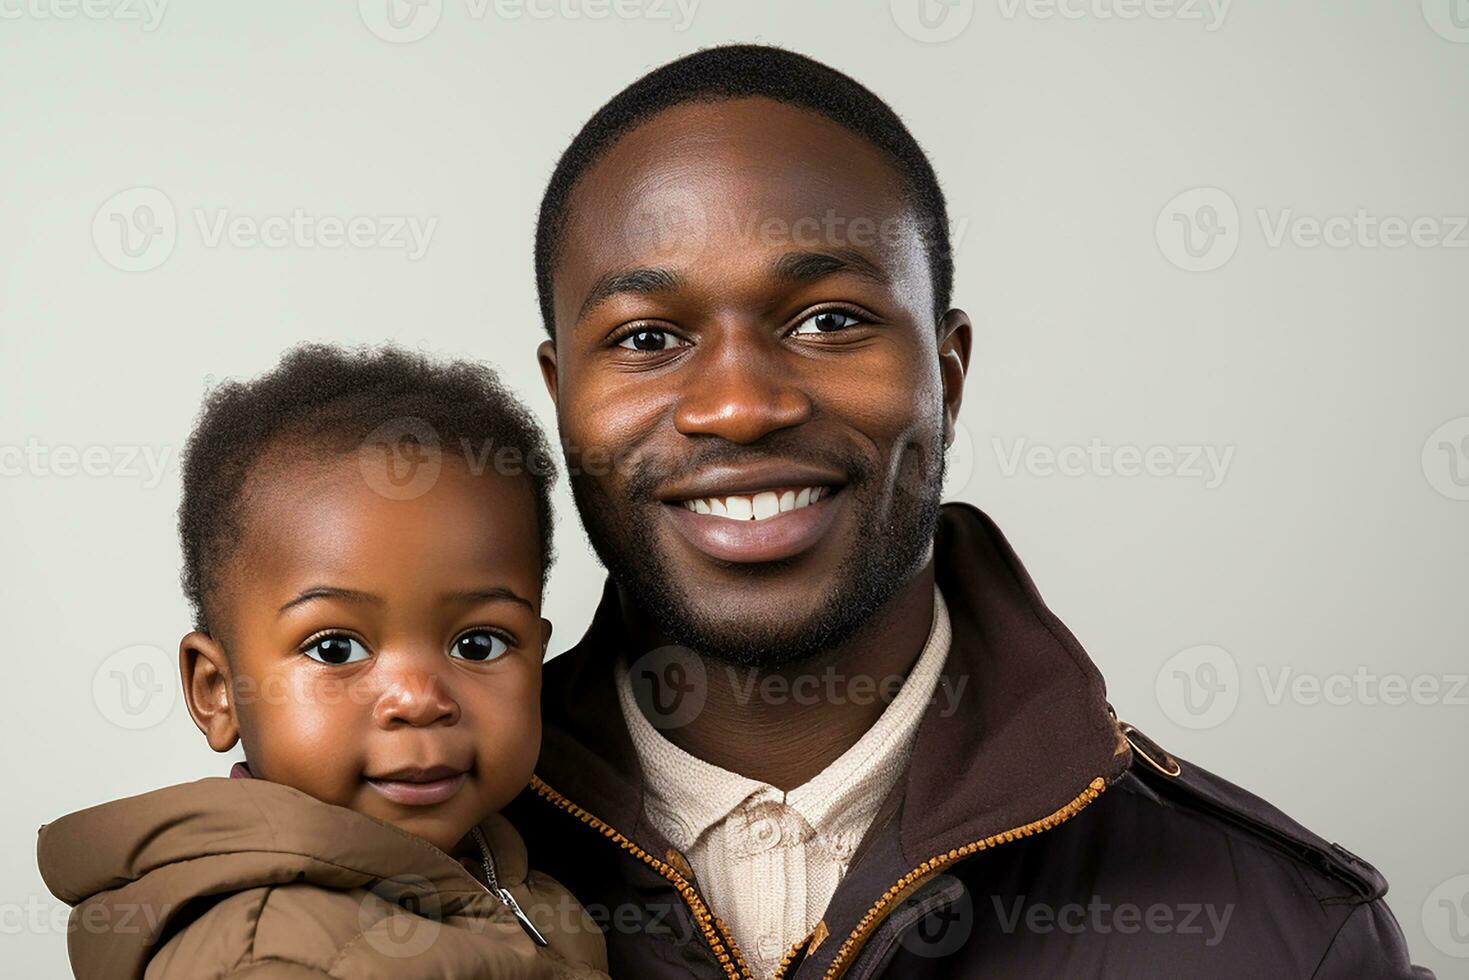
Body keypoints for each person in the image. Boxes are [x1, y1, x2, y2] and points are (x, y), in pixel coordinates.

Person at [508, 44, 1433, 978]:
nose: (741, 406)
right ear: (560, 393)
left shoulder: (1279, 934)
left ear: (946, 376)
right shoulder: (397, 880)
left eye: (828, 320)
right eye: (648, 338)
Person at [38, 345, 609, 980]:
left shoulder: (517, 877)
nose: (419, 699)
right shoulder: (266, 953)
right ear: (217, 689)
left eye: (479, 645)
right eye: (334, 649)